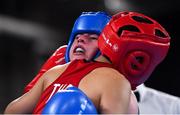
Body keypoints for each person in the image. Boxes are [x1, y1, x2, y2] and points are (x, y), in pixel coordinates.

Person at [4, 11, 170, 114]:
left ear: (104, 42)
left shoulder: (56, 71)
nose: (81, 42)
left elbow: (11, 111)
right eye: (78, 38)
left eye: (91, 38)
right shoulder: (116, 81)